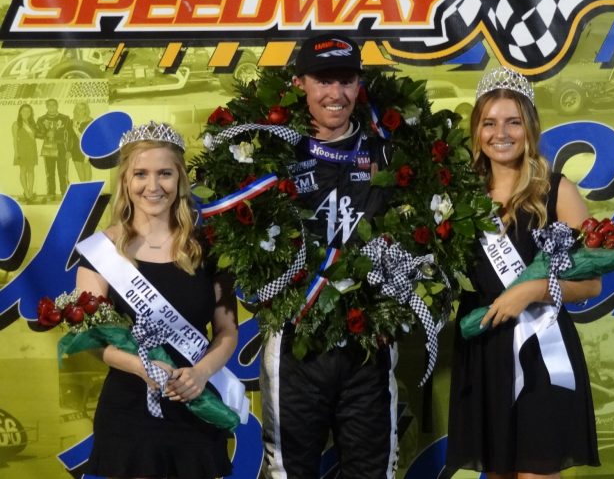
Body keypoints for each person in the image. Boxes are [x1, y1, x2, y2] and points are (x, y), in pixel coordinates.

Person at [444, 67, 601, 479]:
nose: (501, 133)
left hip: (542, 350)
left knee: (536, 472)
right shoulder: (459, 196)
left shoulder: (558, 191)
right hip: (484, 349)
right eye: (489, 123)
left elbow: (591, 282)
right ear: (477, 131)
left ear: (529, 127)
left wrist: (532, 289)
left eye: (513, 122)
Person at [260, 34, 398, 478]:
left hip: (368, 345)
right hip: (295, 344)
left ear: (359, 85)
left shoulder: (387, 153)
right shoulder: (273, 153)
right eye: (323, 80)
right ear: (300, 83)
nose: (335, 94)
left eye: (346, 80)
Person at [75, 122, 237, 478]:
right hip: (130, 414)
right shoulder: (101, 252)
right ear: (125, 181)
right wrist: (140, 366)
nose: (153, 186)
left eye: (165, 173)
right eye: (141, 174)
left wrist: (201, 373)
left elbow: (227, 331)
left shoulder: (209, 248)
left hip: (196, 406)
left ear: (180, 179)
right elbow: (89, 338)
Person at [36, 98, 73, 201]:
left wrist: (69, 150)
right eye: (49, 105)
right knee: (49, 172)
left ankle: (65, 193)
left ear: (57, 106)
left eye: (54, 104)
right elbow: (37, 134)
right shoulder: (41, 119)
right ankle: (51, 193)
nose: (51, 107)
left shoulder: (65, 118)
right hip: (48, 147)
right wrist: (45, 134)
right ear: (46, 106)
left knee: (63, 172)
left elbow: (70, 135)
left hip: (61, 147)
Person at [12, 104, 39, 204]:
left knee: (31, 170)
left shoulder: (32, 124)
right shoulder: (16, 124)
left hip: (32, 149)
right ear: (20, 112)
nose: (26, 113)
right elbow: (15, 140)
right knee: (23, 170)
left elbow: (35, 137)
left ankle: (30, 192)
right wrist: (16, 152)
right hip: (22, 150)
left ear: (31, 113)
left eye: (28, 111)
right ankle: (26, 193)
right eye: (24, 111)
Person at [70, 102, 93, 182]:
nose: (80, 111)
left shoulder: (91, 121)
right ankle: (83, 186)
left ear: (86, 110)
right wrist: (69, 150)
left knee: (87, 168)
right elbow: (70, 137)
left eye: (83, 109)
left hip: (86, 148)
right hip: (75, 148)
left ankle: (88, 186)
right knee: (79, 170)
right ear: (75, 110)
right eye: (78, 109)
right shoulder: (71, 121)